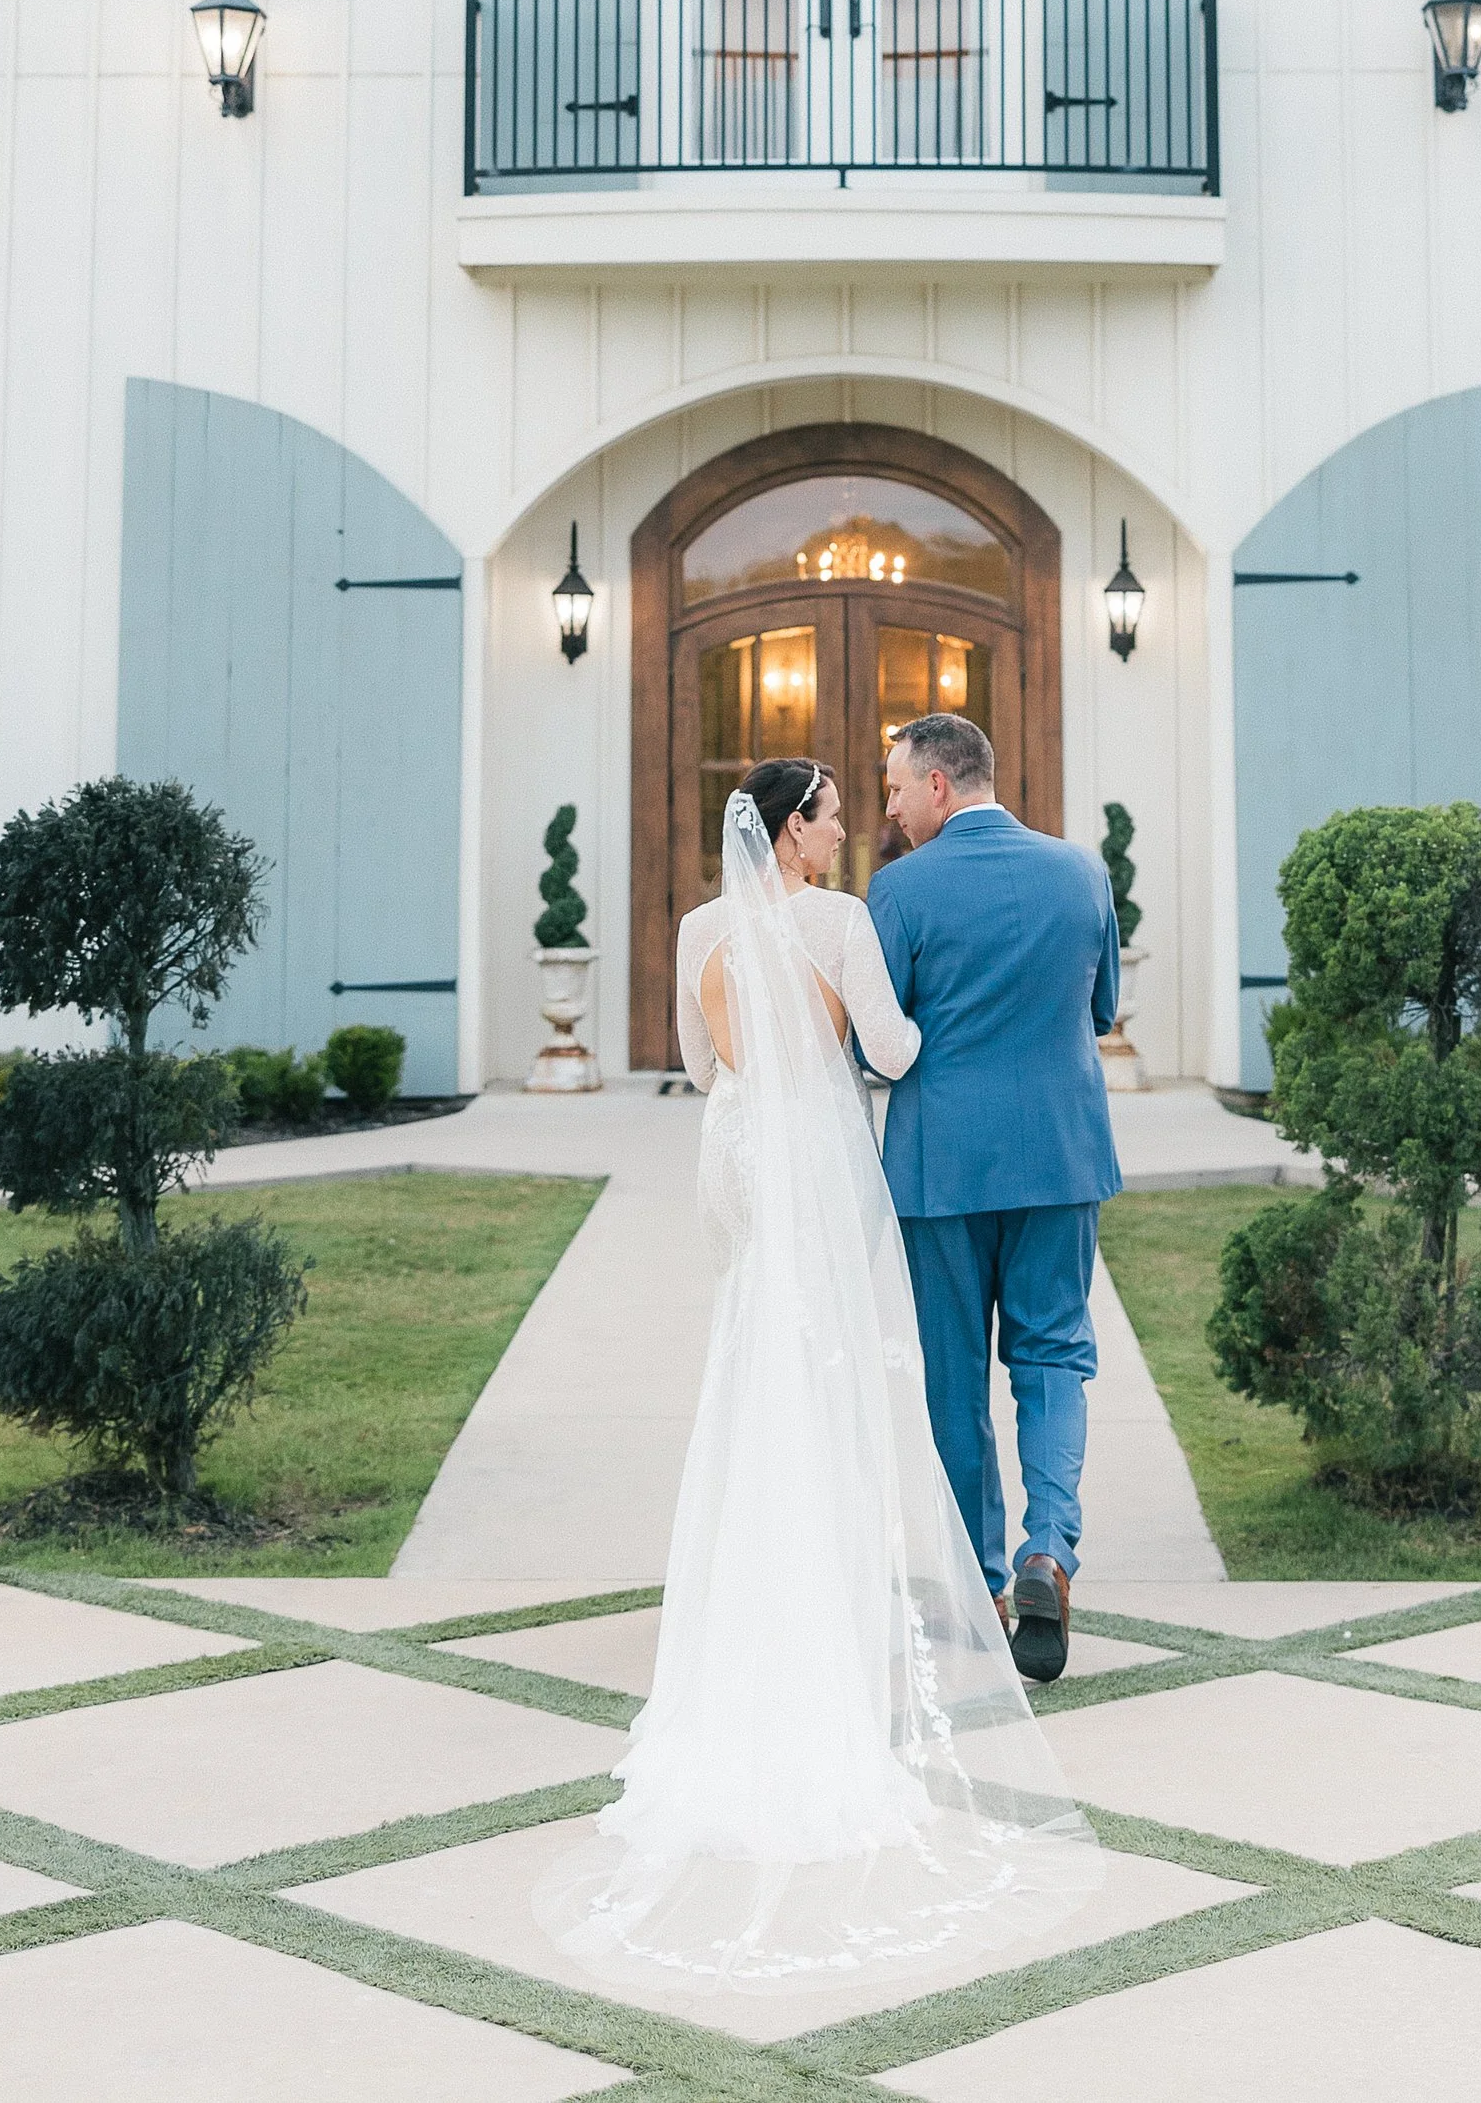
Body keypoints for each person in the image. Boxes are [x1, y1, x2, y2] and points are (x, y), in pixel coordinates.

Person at [534, 756, 1098, 1999]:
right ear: (794, 830)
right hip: (839, 1153)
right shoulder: (850, 920)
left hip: (742, 1147)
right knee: (853, 1368)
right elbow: (892, 1049)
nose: (852, 828)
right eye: (835, 814)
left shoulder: (697, 928)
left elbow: (698, 1057)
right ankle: (943, 1573)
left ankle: (759, 1582)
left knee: (755, 1359)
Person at [868, 713, 1123, 1686]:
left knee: (953, 1376)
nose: (888, 807)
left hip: (940, 1169)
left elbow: (876, 1041)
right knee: (1054, 1356)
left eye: (895, 788)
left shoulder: (900, 889)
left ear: (940, 785)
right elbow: (1099, 1012)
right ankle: (1047, 1552)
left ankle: (977, 1581)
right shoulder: (1082, 874)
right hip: (1061, 1156)